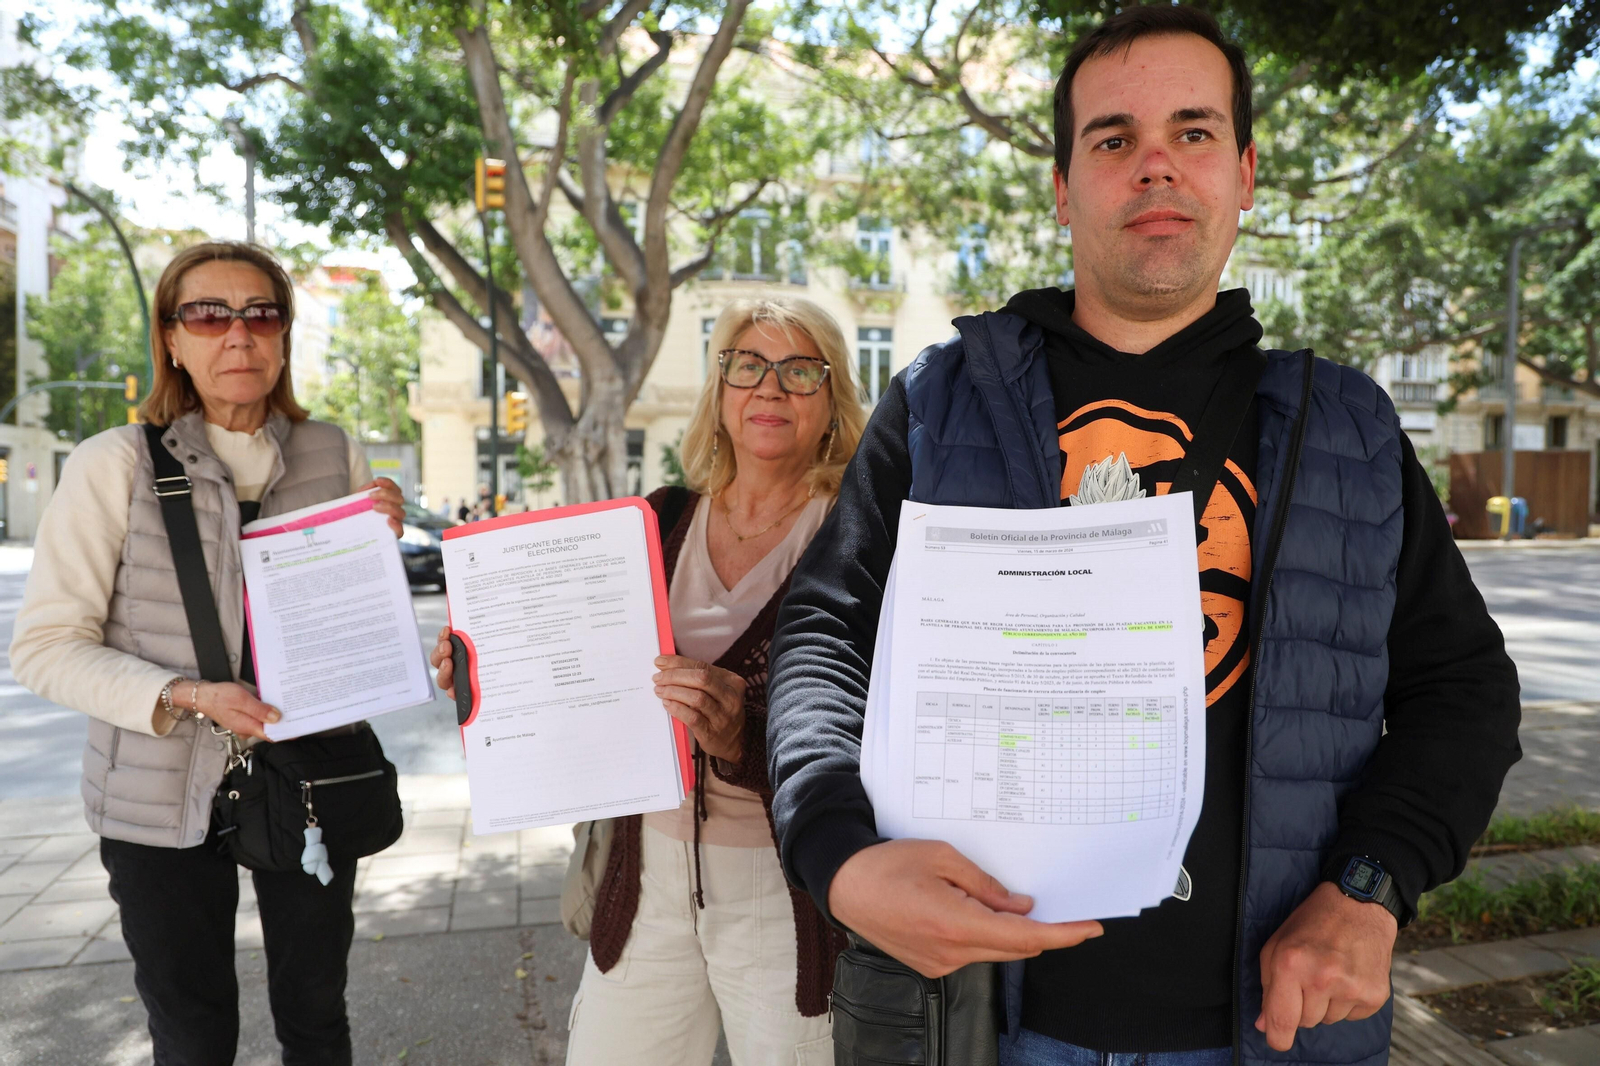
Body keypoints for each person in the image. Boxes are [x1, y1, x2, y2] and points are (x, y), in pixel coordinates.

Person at [765, 8, 1522, 1066]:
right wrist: (836, 855)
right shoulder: (938, 405)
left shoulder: (1343, 428)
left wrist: (1370, 890)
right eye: (1113, 139)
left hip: (1274, 1033)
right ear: (1064, 186)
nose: (1155, 165)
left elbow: (1464, 691)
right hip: (988, 1025)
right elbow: (822, 639)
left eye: (1194, 132)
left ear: (1245, 173)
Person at [430, 297, 868, 1066]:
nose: (770, 388)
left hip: (784, 888)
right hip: (645, 875)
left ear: (831, 401)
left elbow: (874, 731)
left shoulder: (858, 538)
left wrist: (744, 736)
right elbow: (574, 664)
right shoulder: (658, 519)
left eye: (801, 370)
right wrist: (485, 667)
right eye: (746, 366)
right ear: (720, 391)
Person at [10, 241, 406, 1066]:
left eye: (261, 314)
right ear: (172, 339)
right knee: (191, 1035)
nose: (238, 335)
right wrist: (191, 694)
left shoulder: (335, 454)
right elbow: (46, 648)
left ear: (285, 336)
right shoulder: (111, 464)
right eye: (208, 315)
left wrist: (380, 562)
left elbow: (356, 629)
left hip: (307, 782)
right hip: (156, 797)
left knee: (316, 1014)